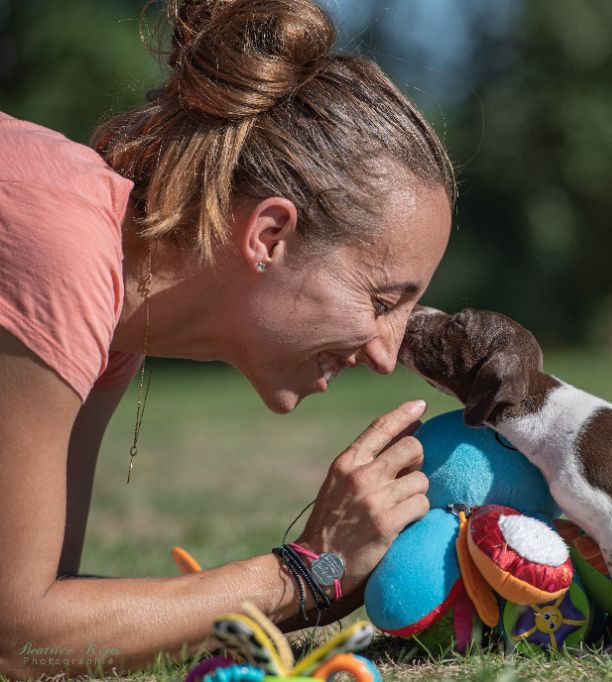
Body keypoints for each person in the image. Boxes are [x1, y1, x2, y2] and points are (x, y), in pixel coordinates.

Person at [0, 0, 455, 677]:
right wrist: (304, 572)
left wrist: (312, 585)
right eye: (382, 301)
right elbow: (19, 637)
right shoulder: (61, 254)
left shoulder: (117, 324)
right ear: (269, 236)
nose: (387, 354)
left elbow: (50, 607)